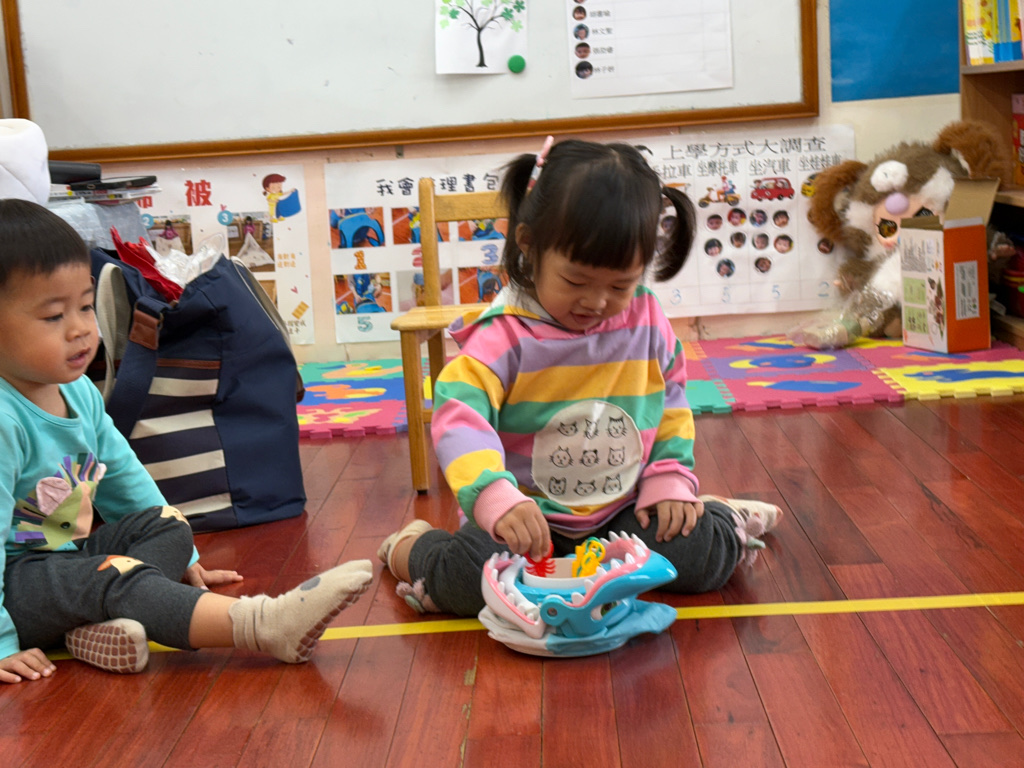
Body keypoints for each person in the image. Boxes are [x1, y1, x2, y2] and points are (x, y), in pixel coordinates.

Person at [376, 140, 781, 617]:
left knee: (702, 557)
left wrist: (670, 476)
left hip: (624, 511)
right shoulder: (503, 335)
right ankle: (410, 547)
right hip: (527, 522)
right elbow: (459, 419)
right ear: (529, 244)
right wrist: (495, 497)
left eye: (621, 285)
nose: (597, 301)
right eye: (575, 281)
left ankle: (724, 514)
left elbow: (670, 398)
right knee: (468, 582)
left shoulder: (647, 320)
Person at [0, 200, 373, 683]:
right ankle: (264, 624)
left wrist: (186, 561)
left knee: (168, 525)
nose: (81, 329)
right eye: (54, 316)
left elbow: (125, 477)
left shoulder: (77, 392)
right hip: (16, 586)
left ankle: (101, 621)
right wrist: (2, 641)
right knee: (115, 575)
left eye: (86, 306)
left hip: (65, 559)